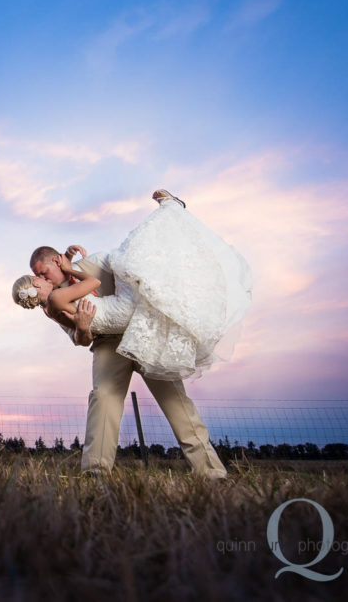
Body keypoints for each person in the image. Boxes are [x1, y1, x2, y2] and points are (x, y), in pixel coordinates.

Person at [14, 190, 251, 477]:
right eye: (36, 276)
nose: (40, 279)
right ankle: (95, 472)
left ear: (55, 260)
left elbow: (135, 270)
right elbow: (79, 339)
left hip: (145, 330)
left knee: (174, 398)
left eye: (42, 272)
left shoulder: (96, 263)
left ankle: (211, 471)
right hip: (107, 344)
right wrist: (84, 327)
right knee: (103, 396)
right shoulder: (52, 304)